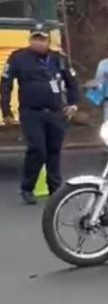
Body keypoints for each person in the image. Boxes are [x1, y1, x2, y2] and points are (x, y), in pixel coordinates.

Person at [1, 24, 79, 205]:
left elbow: (71, 82)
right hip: (31, 112)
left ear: (48, 40)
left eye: (42, 39)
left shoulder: (58, 59)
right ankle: (27, 188)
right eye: (35, 38)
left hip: (55, 112)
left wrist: (73, 104)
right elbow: (6, 84)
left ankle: (55, 189)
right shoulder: (18, 58)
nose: (38, 43)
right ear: (30, 40)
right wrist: (6, 110)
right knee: (37, 149)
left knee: (54, 150)